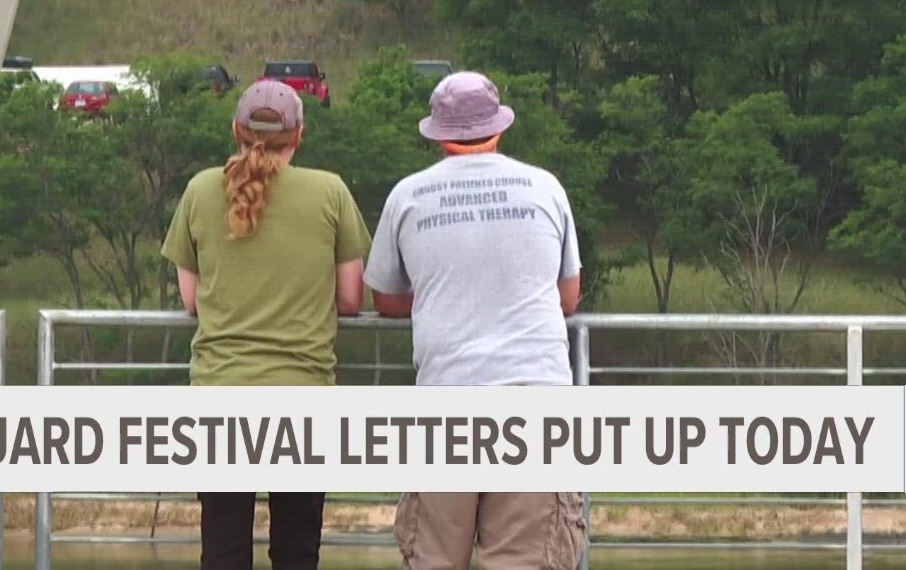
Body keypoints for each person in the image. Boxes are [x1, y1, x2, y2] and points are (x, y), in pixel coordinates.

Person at [366, 72, 588, 570]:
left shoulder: (407, 196)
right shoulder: (545, 187)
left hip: (445, 401)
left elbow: (384, 298)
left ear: (437, 134)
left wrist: (435, 297)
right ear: (499, 127)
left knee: (433, 559)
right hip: (536, 403)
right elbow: (567, 297)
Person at [162, 80, 371, 570]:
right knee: (297, 551)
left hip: (219, 394)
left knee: (223, 549)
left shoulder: (199, 190)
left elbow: (192, 301)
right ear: (299, 135)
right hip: (303, 396)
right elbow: (351, 298)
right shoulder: (330, 191)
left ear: (235, 129)